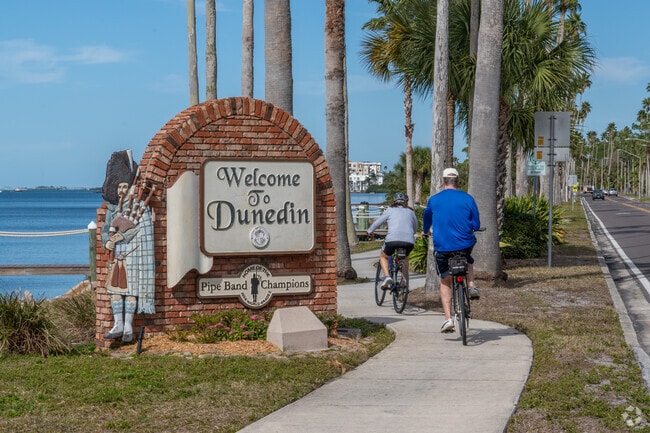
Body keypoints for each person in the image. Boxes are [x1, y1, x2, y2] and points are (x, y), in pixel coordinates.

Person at [101, 150, 156, 343]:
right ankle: (118, 324)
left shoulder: (140, 208)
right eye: (119, 187)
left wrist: (122, 236)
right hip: (118, 256)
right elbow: (106, 229)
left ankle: (128, 326)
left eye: (125, 186)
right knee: (116, 291)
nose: (122, 191)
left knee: (131, 291)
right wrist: (107, 241)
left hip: (134, 255)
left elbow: (140, 229)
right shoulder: (112, 210)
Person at [421, 167, 481, 333]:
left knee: (446, 279)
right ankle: (471, 285)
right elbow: (476, 224)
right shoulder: (468, 198)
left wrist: (425, 231)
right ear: (458, 182)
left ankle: (448, 319)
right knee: (467, 258)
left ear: (443, 182)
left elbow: (426, 219)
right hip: (464, 243)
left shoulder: (434, 200)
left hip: (443, 246)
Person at [367, 192, 418, 289]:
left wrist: (369, 231)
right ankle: (404, 280)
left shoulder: (390, 210)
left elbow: (378, 222)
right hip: (409, 241)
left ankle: (387, 277)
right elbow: (415, 228)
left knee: (384, 256)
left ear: (394, 201)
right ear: (406, 202)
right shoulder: (411, 212)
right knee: (405, 257)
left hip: (392, 240)